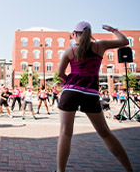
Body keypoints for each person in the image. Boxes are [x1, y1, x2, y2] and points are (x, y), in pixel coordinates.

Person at [56, 21, 133, 172]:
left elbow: (60, 73)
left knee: (65, 133)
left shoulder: (69, 50)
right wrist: (114, 30)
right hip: (90, 93)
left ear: (75, 34)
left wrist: (70, 82)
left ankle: (60, 171)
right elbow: (124, 41)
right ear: (89, 34)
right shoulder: (100, 46)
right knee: (105, 133)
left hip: (70, 92)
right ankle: (129, 169)